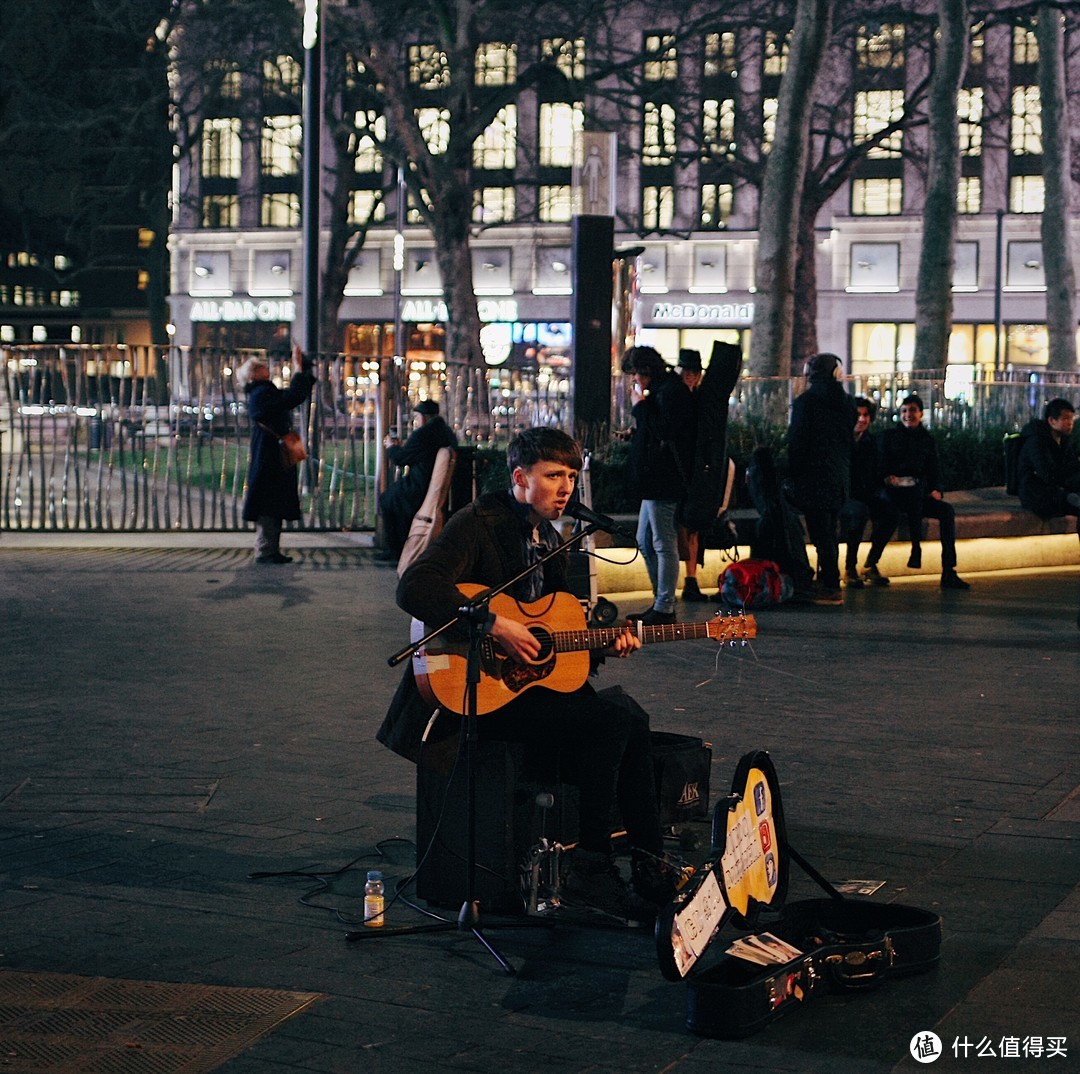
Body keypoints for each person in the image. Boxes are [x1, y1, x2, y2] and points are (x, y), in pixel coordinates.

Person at [377, 426, 671, 924]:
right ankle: (590, 869)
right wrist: (493, 621)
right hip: (474, 693)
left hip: (520, 691)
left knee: (629, 718)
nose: (566, 487)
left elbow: (553, 638)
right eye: (553, 475)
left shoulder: (549, 537)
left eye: (572, 477)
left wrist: (607, 645)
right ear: (519, 477)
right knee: (608, 723)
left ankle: (650, 867)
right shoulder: (480, 522)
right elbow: (414, 587)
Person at [623, 345, 696, 624]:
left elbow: (666, 430)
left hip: (663, 479)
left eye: (636, 375)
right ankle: (660, 601)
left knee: (663, 542)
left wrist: (640, 406)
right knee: (645, 540)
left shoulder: (671, 391)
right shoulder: (665, 389)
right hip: (654, 479)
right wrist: (636, 429)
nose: (635, 381)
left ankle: (664, 606)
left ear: (646, 371)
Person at [787, 353, 856, 605]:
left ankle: (830, 584)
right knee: (830, 531)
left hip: (813, 476)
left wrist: (791, 473)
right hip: (838, 476)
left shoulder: (806, 402)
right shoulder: (848, 403)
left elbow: (797, 441)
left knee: (821, 533)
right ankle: (829, 579)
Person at [881, 394, 970, 590]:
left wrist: (936, 490)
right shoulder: (889, 437)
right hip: (896, 495)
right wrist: (889, 478)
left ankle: (948, 570)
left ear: (920, 414)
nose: (907, 415)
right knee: (912, 499)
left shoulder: (927, 440)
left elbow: (934, 469)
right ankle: (915, 549)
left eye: (912, 411)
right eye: (904, 411)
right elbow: (881, 466)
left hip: (918, 495)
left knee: (946, 512)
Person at [237, 345, 315, 564]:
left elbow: (292, 396)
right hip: (269, 454)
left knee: (271, 500)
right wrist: (300, 371)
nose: (267, 368)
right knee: (269, 501)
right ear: (253, 374)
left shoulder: (262, 391)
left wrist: (302, 371)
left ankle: (270, 549)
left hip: (270, 451)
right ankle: (265, 550)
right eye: (261, 367)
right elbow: (291, 398)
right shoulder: (262, 393)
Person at [378, 400, 458, 560]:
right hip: (435, 484)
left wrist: (391, 447)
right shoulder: (446, 432)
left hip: (419, 485)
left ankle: (396, 548)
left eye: (416, 416)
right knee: (394, 497)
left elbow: (401, 458)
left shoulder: (423, 434)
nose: (415, 421)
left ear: (424, 417)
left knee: (388, 499)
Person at [840, 397, 898, 587]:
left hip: (866, 494)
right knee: (859, 513)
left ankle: (871, 563)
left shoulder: (871, 442)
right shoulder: (840, 441)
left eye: (865, 415)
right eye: (858, 415)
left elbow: (878, 470)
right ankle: (850, 568)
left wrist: (887, 479)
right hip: (843, 496)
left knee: (891, 513)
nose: (862, 419)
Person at [1016, 398, 1080, 532]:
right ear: (1052, 421)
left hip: (1057, 492)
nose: (1070, 423)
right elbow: (1048, 474)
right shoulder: (1036, 441)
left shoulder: (1063, 440)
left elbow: (1071, 468)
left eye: (1071, 418)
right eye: (1065, 419)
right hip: (1037, 495)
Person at [675, 348, 708, 602]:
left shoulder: (696, 399)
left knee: (690, 527)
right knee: (684, 527)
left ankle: (690, 578)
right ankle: (689, 578)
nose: (690, 376)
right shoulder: (689, 399)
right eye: (687, 371)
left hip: (691, 470)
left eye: (693, 372)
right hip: (685, 470)